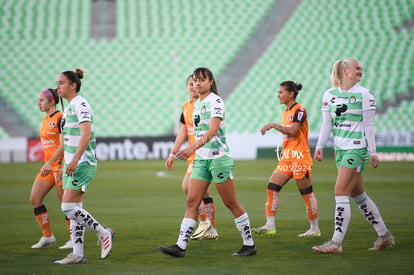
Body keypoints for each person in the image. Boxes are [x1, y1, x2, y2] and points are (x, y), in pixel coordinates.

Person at [158, 67, 256, 257]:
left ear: (210, 82)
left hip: (218, 158)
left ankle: (249, 243)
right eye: (195, 80)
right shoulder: (195, 105)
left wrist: (191, 149)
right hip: (201, 160)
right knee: (192, 201)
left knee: (230, 202)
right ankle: (180, 246)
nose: (197, 83)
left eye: (201, 80)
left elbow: (212, 131)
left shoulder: (216, 101)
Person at [312, 58, 395, 253]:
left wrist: (373, 152)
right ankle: (384, 236)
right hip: (340, 150)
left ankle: (335, 243)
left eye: (361, 69)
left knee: (340, 190)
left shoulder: (364, 94)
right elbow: (326, 124)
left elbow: (368, 125)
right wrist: (320, 146)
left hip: (357, 149)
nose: (360, 71)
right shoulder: (329, 95)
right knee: (358, 195)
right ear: (344, 71)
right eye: (357, 68)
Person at [54, 69, 114, 264]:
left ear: (73, 85)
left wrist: (73, 160)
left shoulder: (81, 104)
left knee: (67, 207)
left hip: (83, 163)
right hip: (71, 164)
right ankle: (78, 254)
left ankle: (104, 233)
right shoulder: (68, 108)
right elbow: (69, 139)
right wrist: (64, 162)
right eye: (57, 83)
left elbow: (86, 135)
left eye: (62, 83)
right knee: (76, 209)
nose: (58, 86)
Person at [252, 81, 320, 238]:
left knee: (306, 193)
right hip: (287, 158)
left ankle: (314, 228)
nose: (278, 95)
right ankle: (270, 225)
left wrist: (274, 125)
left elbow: (294, 131)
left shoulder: (300, 110)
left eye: (281, 92)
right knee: (272, 188)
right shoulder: (285, 112)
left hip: (300, 158)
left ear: (291, 94)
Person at [165, 75, 218, 240]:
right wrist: (173, 152)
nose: (194, 86)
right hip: (192, 154)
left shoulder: (203, 105)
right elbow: (183, 131)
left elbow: (212, 129)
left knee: (187, 187)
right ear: (187, 86)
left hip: (202, 153)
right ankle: (211, 229)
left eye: (196, 83)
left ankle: (204, 223)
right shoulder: (186, 106)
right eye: (191, 83)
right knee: (204, 193)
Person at [30, 88, 72, 249]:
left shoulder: (60, 118)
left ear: (51, 101)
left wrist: (54, 164)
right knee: (35, 199)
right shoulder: (45, 119)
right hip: (48, 166)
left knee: (66, 204)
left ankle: (72, 238)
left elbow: (63, 145)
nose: (38, 104)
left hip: (60, 165)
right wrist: (48, 164)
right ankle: (48, 236)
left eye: (41, 100)